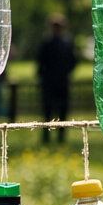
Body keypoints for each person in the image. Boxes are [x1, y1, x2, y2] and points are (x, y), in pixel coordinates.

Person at [36, 13, 77, 142]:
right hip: (52, 82)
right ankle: (48, 136)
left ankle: (60, 137)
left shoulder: (65, 43)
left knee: (61, 110)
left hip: (59, 82)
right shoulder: (47, 43)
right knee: (48, 111)